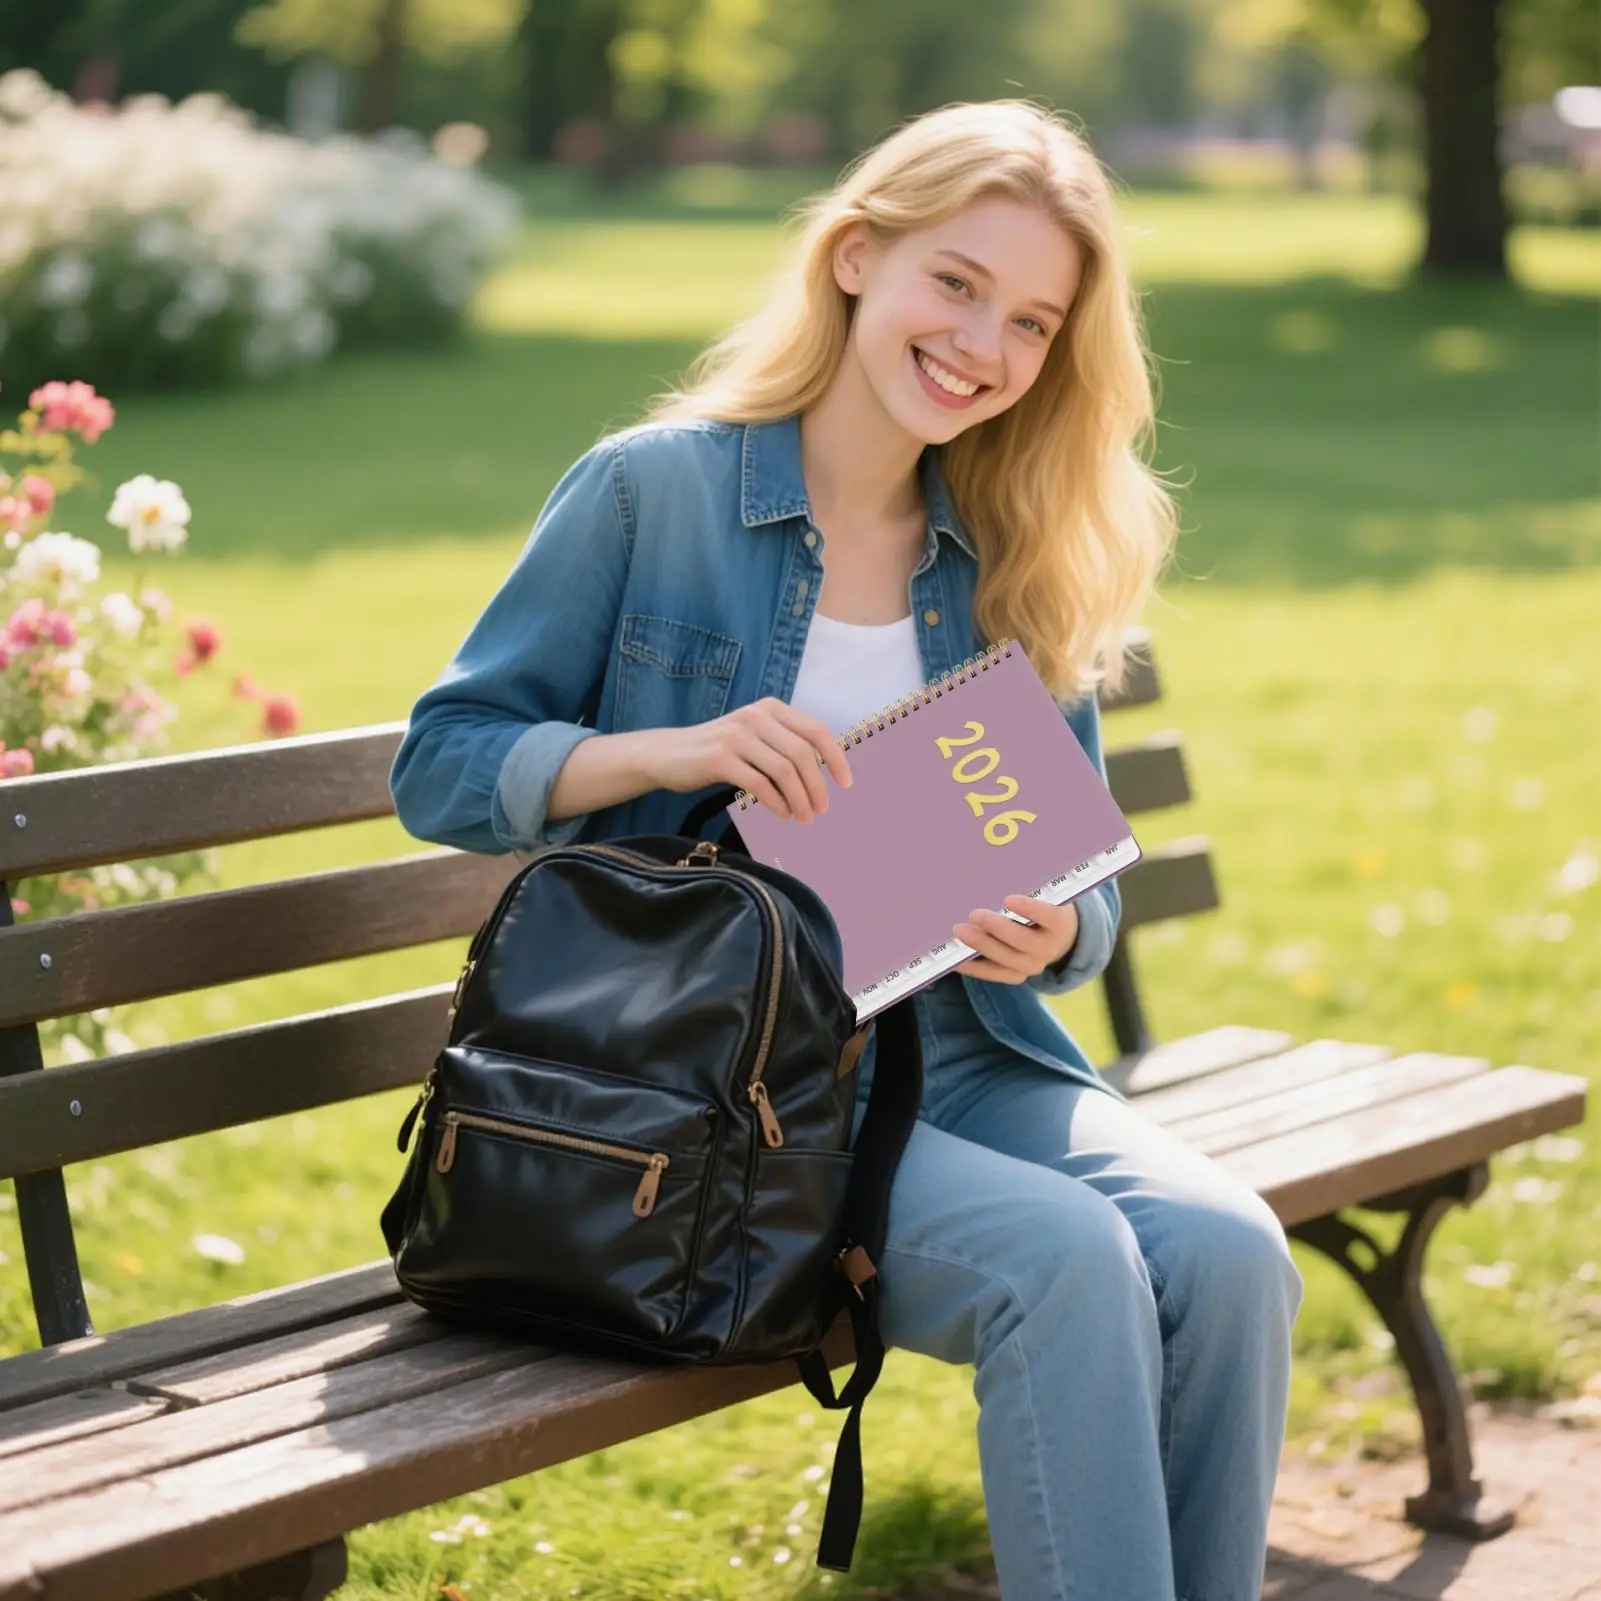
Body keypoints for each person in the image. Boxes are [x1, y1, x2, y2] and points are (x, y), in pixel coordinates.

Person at [390, 97, 1305, 1601]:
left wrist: (1055, 931)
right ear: (858, 259)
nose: (983, 345)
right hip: (728, 1107)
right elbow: (441, 763)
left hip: (971, 1055)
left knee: (1232, 1252)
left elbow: (1087, 888)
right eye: (956, 283)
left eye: (1030, 319)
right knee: (1065, 1268)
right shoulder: (650, 493)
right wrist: (670, 751)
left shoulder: (1007, 540)